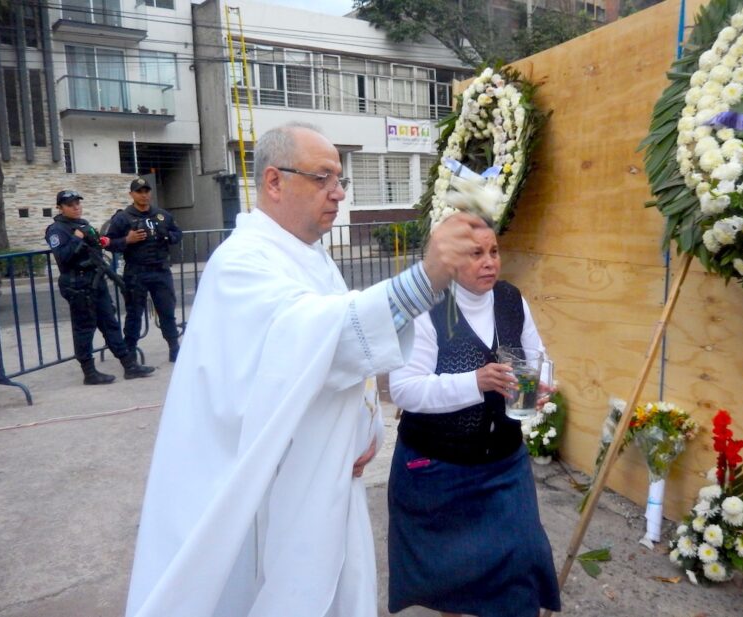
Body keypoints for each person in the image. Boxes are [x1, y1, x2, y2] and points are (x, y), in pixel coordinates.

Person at [125, 122, 488, 617]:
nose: (338, 193)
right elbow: (317, 340)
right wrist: (424, 280)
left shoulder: (310, 255)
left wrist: (364, 431)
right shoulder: (241, 263)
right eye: (323, 178)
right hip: (271, 489)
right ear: (274, 181)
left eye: (341, 180)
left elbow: (343, 354)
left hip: (326, 474)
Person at [387, 225, 562, 617]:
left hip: (504, 464)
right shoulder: (429, 307)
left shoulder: (510, 299)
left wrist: (545, 385)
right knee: (453, 582)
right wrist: (476, 381)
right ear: (450, 259)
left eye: (494, 251)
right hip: (438, 469)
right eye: (476, 254)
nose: (489, 262)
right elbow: (405, 390)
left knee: (521, 565)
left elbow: (537, 357)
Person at [44, 190, 156, 385]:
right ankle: (89, 373)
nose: (76, 207)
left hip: (95, 281)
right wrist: (78, 237)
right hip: (77, 284)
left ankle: (129, 366)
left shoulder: (83, 224)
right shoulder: (56, 229)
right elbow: (63, 256)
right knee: (84, 329)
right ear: (60, 208)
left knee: (110, 323)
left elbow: (97, 246)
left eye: (78, 203)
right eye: (70, 205)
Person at [105, 177, 183, 361]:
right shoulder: (122, 218)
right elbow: (108, 243)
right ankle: (129, 354)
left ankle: (174, 348)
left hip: (160, 270)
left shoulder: (162, 215)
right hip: (136, 272)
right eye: (139, 192)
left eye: (146, 191)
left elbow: (178, 234)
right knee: (134, 314)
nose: (144, 195)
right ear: (131, 194)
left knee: (167, 311)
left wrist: (167, 237)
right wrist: (127, 240)